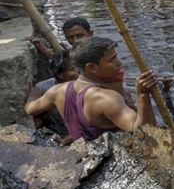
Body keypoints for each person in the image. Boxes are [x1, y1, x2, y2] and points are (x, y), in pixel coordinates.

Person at [25, 37, 158, 142]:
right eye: (112, 60)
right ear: (92, 68)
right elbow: (145, 135)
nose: (119, 62)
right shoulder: (107, 99)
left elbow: (30, 109)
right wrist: (142, 95)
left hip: (85, 160)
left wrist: (31, 98)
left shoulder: (56, 91)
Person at [25, 17, 135, 108]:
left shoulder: (102, 53)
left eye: (79, 36)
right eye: (70, 37)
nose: (75, 41)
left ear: (90, 33)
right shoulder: (74, 53)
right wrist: (44, 50)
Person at [25, 50, 78, 145]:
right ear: (60, 74)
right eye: (74, 69)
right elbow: (36, 116)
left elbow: (89, 126)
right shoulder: (44, 89)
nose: (80, 73)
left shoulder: (86, 89)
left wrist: (62, 142)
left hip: (81, 136)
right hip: (57, 134)